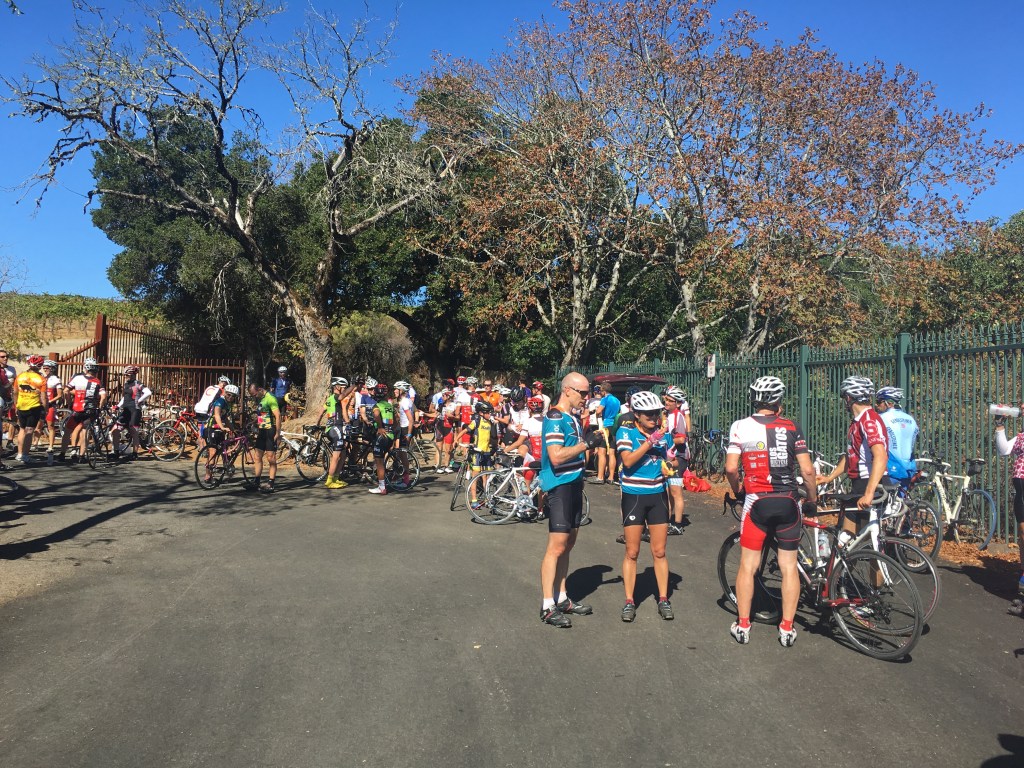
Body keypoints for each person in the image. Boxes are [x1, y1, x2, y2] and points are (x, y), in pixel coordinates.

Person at [725, 376, 817, 647]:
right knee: (789, 567)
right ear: (779, 400)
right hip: (788, 501)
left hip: (758, 502)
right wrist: (811, 499)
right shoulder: (791, 427)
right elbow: (808, 470)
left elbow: (731, 468)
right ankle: (787, 629)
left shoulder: (740, 426)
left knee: (748, 565)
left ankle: (743, 625)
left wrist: (739, 489)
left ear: (754, 398)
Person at [538, 372, 607, 628]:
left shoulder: (574, 419)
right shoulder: (555, 417)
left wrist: (588, 444)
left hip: (575, 484)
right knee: (556, 547)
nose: (587, 398)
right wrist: (586, 445)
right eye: (583, 393)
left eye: (588, 393)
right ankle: (547, 605)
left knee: (568, 545)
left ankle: (563, 596)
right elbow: (555, 457)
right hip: (560, 486)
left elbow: (578, 454)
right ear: (567, 390)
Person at [616, 391, 676, 622]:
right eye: (648, 414)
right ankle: (630, 600)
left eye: (657, 413)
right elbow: (628, 461)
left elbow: (671, 459)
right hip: (634, 497)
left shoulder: (664, 435)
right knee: (632, 552)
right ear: (637, 414)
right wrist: (651, 441)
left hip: (658, 495)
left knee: (659, 551)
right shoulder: (626, 432)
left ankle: (663, 598)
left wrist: (669, 465)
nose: (654, 417)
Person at [816, 376, 889, 539]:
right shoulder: (858, 421)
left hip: (870, 483)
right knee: (848, 541)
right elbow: (851, 456)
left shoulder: (868, 421)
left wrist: (869, 493)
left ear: (848, 398)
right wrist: (829, 478)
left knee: (869, 544)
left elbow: (881, 457)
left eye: (844, 398)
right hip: (860, 484)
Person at [995, 405, 1024, 591]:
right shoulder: (1022, 437)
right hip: (1021, 492)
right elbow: (1004, 450)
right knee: (1023, 534)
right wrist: (999, 426)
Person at [59, 358, 106, 463]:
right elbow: (103, 396)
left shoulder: (77, 378)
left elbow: (66, 391)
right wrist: (100, 407)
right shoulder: (98, 382)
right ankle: (81, 456)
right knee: (85, 431)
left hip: (77, 409)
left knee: (67, 431)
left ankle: (62, 454)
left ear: (86, 368)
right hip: (91, 410)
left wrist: (69, 402)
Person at [875, 386, 919, 483]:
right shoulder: (911, 419)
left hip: (890, 469)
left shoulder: (881, 418)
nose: (876, 405)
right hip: (909, 469)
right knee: (903, 498)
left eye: (879, 402)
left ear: (889, 403)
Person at [663, 385, 689, 535]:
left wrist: (667, 442)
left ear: (678, 403)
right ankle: (668, 521)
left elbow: (680, 439)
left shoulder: (678, 416)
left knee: (675, 491)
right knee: (668, 491)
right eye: (666, 399)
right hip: (670, 456)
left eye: (670, 400)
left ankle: (677, 525)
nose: (666, 402)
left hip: (678, 457)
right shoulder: (669, 415)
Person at [110, 365, 152, 460]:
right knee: (115, 430)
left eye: (127, 375)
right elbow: (125, 397)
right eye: (125, 375)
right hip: (126, 410)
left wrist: (139, 400)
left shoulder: (138, 384)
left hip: (135, 410)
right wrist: (117, 406)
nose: (126, 377)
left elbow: (148, 392)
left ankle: (135, 453)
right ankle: (116, 451)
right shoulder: (126, 384)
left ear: (132, 375)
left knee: (134, 432)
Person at [200, 384, 239, 483]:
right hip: (210, 429)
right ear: (225, 393)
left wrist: (233, 429)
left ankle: (223, 468)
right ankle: (208, 476)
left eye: (233, 396)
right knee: (212, 452)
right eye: (229, 394)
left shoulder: (227, 404)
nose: (230, 397)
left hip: (219, 430)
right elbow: (217, 415)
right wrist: (222, 426)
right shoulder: (220, 401)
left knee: (222, 450)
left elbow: (225, 418)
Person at [13, 355, 48, 463]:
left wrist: (15, 405)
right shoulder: (41, 378)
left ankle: (19, 454)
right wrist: (45, 408)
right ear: (40, 366)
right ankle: (25, 455)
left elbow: (15, 392)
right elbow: (43, 396)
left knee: (22, 429)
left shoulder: (20, 376)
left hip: (21, 405)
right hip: (34, 406)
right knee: (29, 430)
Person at [248, 382, 280, 492]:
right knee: (257, 456)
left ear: (260, 389)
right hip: (262, 431)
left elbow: (278, 416)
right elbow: (262, 415)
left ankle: (271, 483)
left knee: (271, 458)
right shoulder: (261, 399)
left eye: (254, 394)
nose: (254, 397)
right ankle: (256, 481)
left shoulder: (270, 398)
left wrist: (278, 433)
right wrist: (254, 423)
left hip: (270, 431)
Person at [466, 401, 499, 508]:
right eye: (488, 412)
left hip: (487, 452)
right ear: (481, 413)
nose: (490, 414)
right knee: (475, 476)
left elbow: (493, 437)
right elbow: (466, 430)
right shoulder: (477, 421)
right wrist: (456, 440)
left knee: (487, 477)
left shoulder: (490, 423)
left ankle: (487, 498)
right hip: (477, 452)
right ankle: (474, 499)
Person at [319, 377, 350, 489]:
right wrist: (354, 387)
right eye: (344, 387)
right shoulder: (337, 397)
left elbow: (321, 411)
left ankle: (336, 478)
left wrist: (317, 424)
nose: (345, 389)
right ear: (337, 387)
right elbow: (343, 396)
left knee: (343, 453)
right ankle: (330, 480)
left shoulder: (329, 399)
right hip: (335, 428)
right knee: (336, 456)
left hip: (332, 428)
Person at [368, 382, 396, 495]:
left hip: (382, 436)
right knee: (382, 460)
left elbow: (376, 415)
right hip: (390, 436)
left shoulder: (377, 406)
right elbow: (396, 420)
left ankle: (382, 487)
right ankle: (383, 483)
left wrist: (380, 427)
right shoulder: (389, 406)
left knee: (379, 462)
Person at [592, 384, 620, 484]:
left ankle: (600, 477)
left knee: (601, 452)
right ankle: (611, 477)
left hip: (606, 426)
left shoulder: (605, 399)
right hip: (615, 426)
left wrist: (597, 413)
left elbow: (599, 411)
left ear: (603, 391)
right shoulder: (617, 400)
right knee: (612, 453)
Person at [195, 376, 231, 452]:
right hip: (206, 410)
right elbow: (220, 402)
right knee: (205, 427)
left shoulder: (210, 387)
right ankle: (203, 447)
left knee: (200, 428)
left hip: (198, 408)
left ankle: (201, 445)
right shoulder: (221, 390)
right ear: (224, 384)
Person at [40, 360, 63, 453]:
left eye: (47, 368)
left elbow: (59, 395)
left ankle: (50, 446)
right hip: (40, 404)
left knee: (50, 426)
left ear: (52, 368)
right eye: (44, 368)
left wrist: (49, 401)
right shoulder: (41, 377)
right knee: (38, 425)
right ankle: (35, 443)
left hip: (50, 405)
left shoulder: (56, 379)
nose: (45, 369)